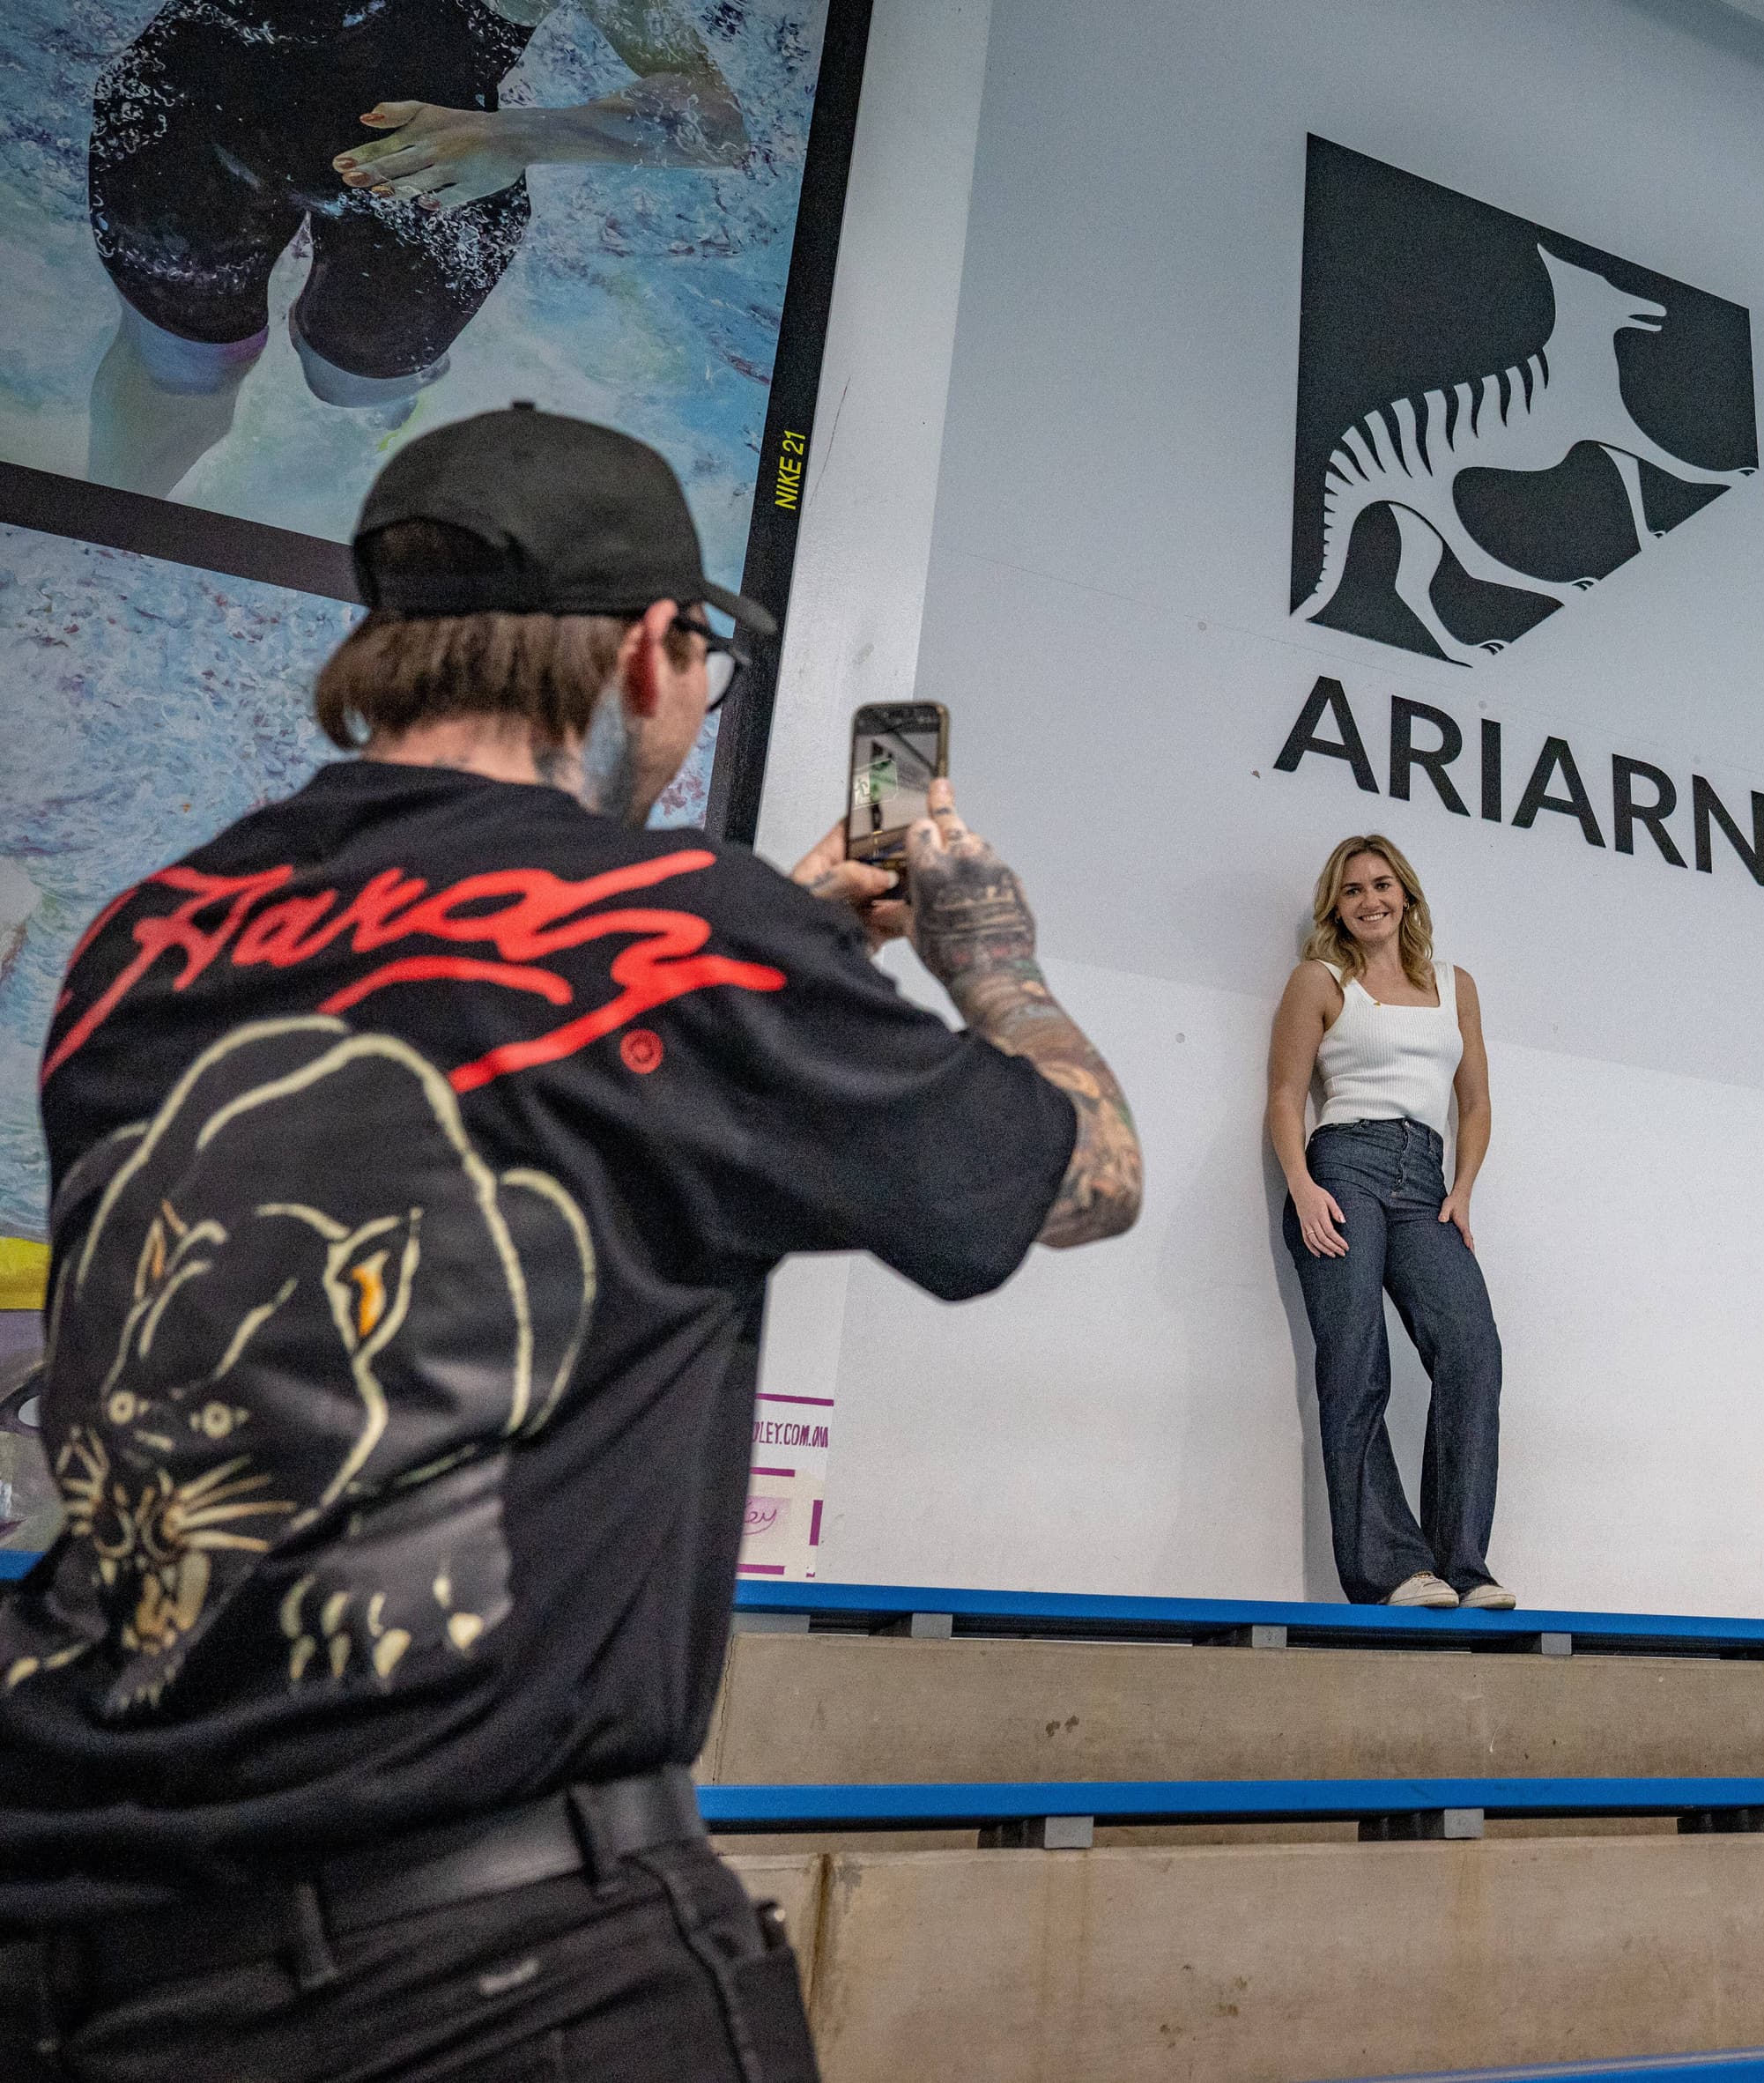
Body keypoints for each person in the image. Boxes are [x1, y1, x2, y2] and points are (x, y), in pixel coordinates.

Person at [0, 405, 1139, 2081]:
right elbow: (1078, 1175)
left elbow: (487, 1039)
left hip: (82, 1958)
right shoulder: (682, 938)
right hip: (493, 1976)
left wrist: (774, 945)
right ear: (655, 652)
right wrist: (989, 946)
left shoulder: (142, 936)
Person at [86, 0, 753, 495]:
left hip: (432, 173)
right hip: (193, 123)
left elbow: (717, 123)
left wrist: (518, 136)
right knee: (176, 377)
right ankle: (96, 552)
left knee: (354, 395)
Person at [1265, 836, 1510, 1611]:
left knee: (1472, 1352)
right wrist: (1301, 1184)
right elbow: (1284, 1095)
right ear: (1334, 907)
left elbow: (1474, 1102)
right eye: (1351, 891)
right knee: (1356, 1363)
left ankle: (1463, 1567)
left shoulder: (1453, 985)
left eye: (1381, 885)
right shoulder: (1321, 981)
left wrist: (1463, 1190)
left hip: (1425, 1181)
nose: (1369, 900)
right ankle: (1392, 1570)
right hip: (1343, 1168)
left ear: (1405, 893)